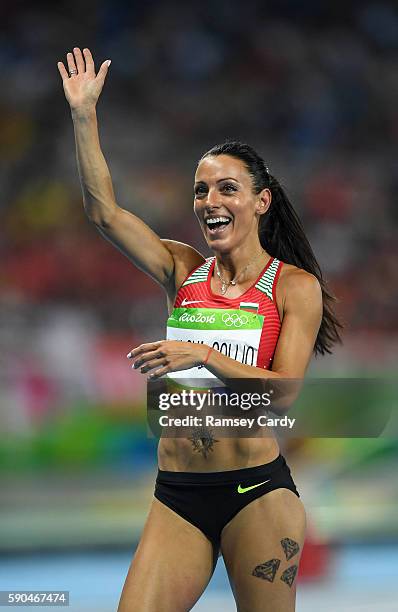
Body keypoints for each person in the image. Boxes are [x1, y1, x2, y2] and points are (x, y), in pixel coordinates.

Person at [58, 47, 342, 612]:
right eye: (200, 190)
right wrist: (84, 116)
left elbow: (283, 391)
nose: (209, 201)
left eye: (226, 189)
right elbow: (104, 214)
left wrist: (203, 355)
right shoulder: (184, 269)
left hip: (255, 491)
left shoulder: (292, 287)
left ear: (261, 202)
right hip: (178, 496)